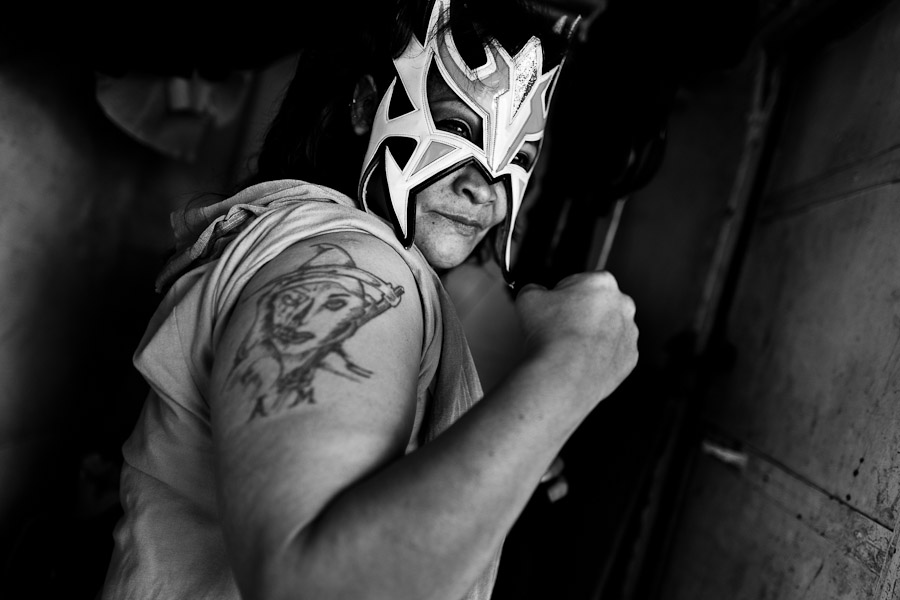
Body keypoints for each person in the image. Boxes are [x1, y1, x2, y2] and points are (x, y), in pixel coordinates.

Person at [100, 0, 639, 598]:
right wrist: (574, 368)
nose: (485, 186)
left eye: (520, 158)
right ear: (363, 105)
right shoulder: (354, 262)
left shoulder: (346, 254)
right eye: (459, 128)